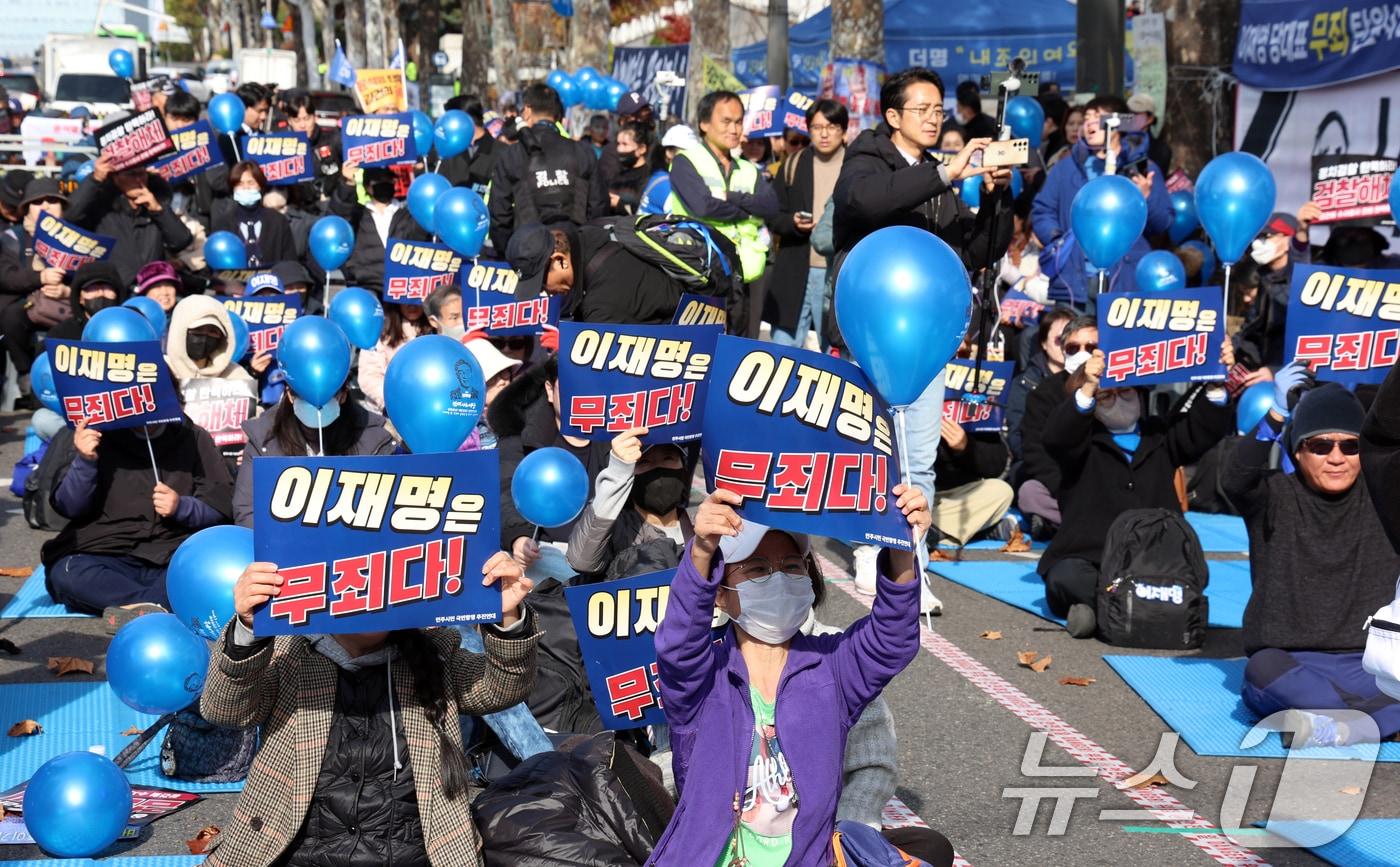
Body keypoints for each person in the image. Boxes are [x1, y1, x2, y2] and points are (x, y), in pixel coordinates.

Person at [201, 549, 539, 867]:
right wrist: (248, 630)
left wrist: (508, 619)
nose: (370, 590)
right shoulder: (289, 653)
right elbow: (224, 710)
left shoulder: (436, 653)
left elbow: (503, 687)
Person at [650, 483, 930, 865]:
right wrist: (701, 550)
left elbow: (892, 640)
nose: (779, 578)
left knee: (929, 847)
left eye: (792, 566)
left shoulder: (832, 668)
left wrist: (901, 549)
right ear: (720, 592)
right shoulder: (703, 678)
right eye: (758, 568)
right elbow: (678, 641)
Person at [832, 66, 1012, 607]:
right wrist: (947, 175)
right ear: (892, 116)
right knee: (870, 447)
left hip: (929, 338)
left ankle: (912, 564)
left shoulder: (942, 177)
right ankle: (870, 549)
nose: (935, 118)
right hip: (872, 333)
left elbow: (978, 252)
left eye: (940, 110)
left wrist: (997, 195)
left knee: (919, 455)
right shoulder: (867, 158)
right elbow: (865, 203)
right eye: (923, 109)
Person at [1221, 370, 1400, 746]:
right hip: (1290, 660)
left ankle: (1333, 725)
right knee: (1261, 670)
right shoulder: (1273, 496)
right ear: (1297, 451)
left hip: (1368, 660)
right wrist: (1276, 413)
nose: (1336, 458)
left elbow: (1388, 439)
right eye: (1320, 446)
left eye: (1350, 446)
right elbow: (1234, 478)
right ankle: (1360, 723)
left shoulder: (1385, 499)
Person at [1038, 342, 1235, 637]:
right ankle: (1142, 610)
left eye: (1126, 391)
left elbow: (1203, 429)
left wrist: (1216, 381)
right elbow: (1056, 437)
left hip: (1155, 558)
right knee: (1066, 579)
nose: (1117, 400)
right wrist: (1089, 388)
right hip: (1093, 557)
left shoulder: (1160, 434)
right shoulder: (1082, 440)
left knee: (1196, 574)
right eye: (1106, 396)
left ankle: (1113, 614)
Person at [40, 413, 233, 624]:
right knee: (66, 573)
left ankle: (141, 609)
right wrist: (85, 462)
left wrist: (182, 507)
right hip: (107, 551)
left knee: (204, 573)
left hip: (172, 554)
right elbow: (69, 506)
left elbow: (221, 506)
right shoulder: (92, 434)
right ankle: (154, 607)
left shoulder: (193, 436)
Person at [1030, 94, 1172, 304]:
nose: (1089, 124)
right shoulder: (1065, 168)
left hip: (1125, 282)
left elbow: (1162, 223)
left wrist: (1147, 198)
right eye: (1087, 118)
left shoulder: (1143, 170)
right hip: (1075, 280)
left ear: (1119, 123)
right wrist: (1059, 242)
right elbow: (1043, 211)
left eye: (1098, 118)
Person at [666, 90, 778, 314]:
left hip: (743, 273)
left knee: (739, 344)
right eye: (726, 121)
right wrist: (746, 213)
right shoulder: (685, 162)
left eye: (738, 122)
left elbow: (771, 207)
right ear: (704, 124)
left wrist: (733, 197)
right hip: (699, 272)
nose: (734, 129)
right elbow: (702, 206)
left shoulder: (748, 169)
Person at [233, 383, 396, 526]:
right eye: (306, 397)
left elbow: (389, 511)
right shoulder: (263, 439)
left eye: (326, 397)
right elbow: (247, 510)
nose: (316, 406)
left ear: (343, 395)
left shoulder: (374, 440)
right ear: (289, 395)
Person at [766, 99, 848, 351]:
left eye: (832, 126)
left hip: (838, 272)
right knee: (782, 350)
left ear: (844, 130)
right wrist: (791, 222)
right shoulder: (792, 164)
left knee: (833, 350)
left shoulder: (858, 166)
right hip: (795, 268)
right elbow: (772, 214)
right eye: (816, 127)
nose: (824, 134)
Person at [506, 222, 699, 326]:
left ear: (560, 260)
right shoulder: (592, 235)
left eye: (542, 283)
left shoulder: (600, 307)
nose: (546, 292)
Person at [488, 83, 603, 255]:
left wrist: (508, 254)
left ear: (526, 111)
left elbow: (499, 213)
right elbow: (598, 207)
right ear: (558, 115)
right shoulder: (583, 151)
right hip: (576, 252)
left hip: (528, 254)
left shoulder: (512, 155)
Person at [566, 427, 694, 578]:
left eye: (668, 459)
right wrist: (618, 470)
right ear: (630, 472)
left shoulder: (700, 526)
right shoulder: (615, 529)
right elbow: (581, 560)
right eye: (644, 461)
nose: (658, 468)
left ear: (683, 466)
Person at [64, 156, 194, 287]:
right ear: (115, 177)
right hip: (115, 288)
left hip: (151, 287)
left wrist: (159, 211)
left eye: (142, 174)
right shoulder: (102, 206)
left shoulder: (155, 203)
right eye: (131, 174)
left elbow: (181, 241)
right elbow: (70, 216)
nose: (138, 180)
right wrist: (95, 179)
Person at [0, 177, 69, 390]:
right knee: (10, 316)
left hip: (65, 306)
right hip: (25, 306)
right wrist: (40, 278)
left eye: (52, 200)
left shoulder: (77, 236)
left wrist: (67, 290)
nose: (46, 206)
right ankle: (26, 373)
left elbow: (91, 276)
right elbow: (6, 276)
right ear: (27, 209)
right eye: (38, 202)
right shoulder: (12, 237)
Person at [1235, 206, 1320, 369]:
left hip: (1291, 374)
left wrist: (1302, 231)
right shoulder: (1263, 279)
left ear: (1288, 240)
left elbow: (1300, 257)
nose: (1259, 243)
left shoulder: (1299, 278)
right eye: (1258, 237)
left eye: (1267, 236)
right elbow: (1251, 329)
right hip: (1264, 371)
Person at [331, 165, 430, 297]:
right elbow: (338, 219)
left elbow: (421, 237)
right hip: (368, 287)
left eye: (389, 181)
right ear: (367, 187)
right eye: (378, 181)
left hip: (406, 286)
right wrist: (349, 183)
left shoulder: (409, 212)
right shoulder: (358, 214)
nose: (385, 185)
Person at [1006, 306, 1076, 468]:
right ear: (1044, 343)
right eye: (1059, 339)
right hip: (1038, 463)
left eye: (1070, 339)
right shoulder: (1025, 383)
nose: (1065, 346)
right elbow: (1017, 438)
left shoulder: (1090, 378)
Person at [212, 161, 298, 269]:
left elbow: (290, 261)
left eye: (251, 182)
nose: (246, 188)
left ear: (260, 186)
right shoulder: (222, 224)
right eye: (239, 184)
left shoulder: (278, 221)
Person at [164, 294, 256, 388]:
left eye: (213, 331)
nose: (204, 337)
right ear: (180, 331)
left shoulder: (235, 375)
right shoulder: (158, 369)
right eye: (198, 329)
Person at [357, 302, 434, 413]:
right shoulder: (379, 331)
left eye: (417, 300)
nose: (412, 305)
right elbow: (369, 376)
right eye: (406, 300)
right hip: (385, 413)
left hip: (428, 411)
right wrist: (392, 403)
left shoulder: (437, 329)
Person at [48, 261, 126, 341]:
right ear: (80, 298)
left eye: (107, 288)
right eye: (93, 288)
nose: (101, 293)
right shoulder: (62, 334)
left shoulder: (128, 328)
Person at [440, 94, 497, 199]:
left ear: (463, 120)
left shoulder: (502, 153)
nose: (445, 126)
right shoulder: (447, 153)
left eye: (449, 120)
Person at [217, 82, 273, 166]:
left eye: (266, 111)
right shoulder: (228, 138)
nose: (264, 116)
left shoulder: (264, 136)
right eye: (260, 111)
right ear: (243, 108)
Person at [605, 123, 655, 216]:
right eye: (618, 144)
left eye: (625, 144)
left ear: (641, 149)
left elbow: (645, 209)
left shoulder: (649, 177)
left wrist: (619, 204)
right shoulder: (619, 173)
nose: (619, 149)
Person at [1126, 93, 1172, 176]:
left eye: (1136, 113)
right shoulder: (1117, 142)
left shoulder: (1160, 150)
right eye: (1128, 112)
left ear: (1150, 119)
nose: (1130, 117)